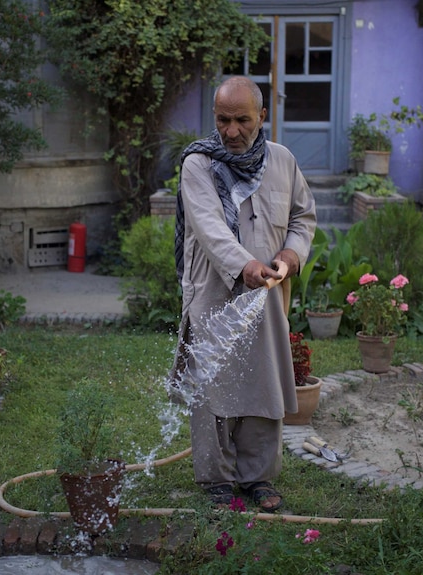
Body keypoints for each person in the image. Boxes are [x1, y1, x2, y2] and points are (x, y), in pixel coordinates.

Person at [172, 76, 317, 512]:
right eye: (222, 119)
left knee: (262, 381)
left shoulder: (282, 160)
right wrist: (243, 264)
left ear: (262, 117)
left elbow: (302, 217)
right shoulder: (198, 164)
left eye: (242, 120)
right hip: (212, 291)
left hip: (268, 295)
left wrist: (291, 255)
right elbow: (209, 227)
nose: (231, 131)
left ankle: (257, 477)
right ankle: (216, 479)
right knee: (213, 383)